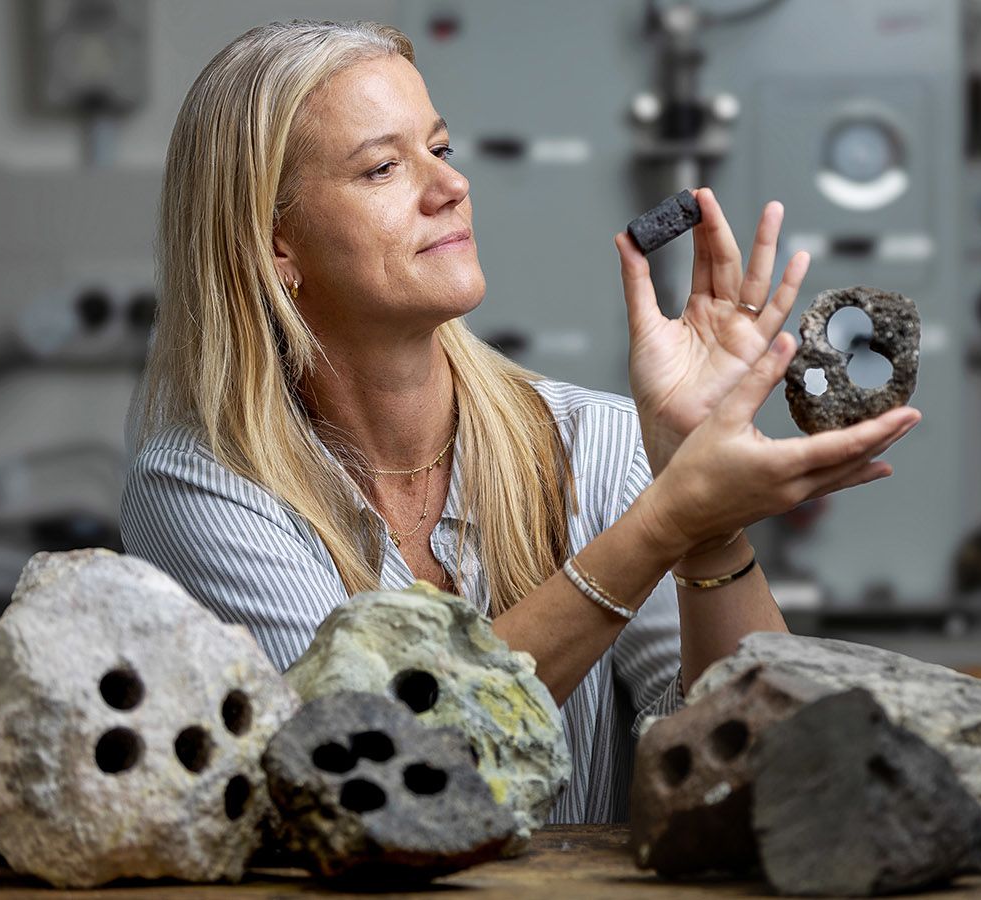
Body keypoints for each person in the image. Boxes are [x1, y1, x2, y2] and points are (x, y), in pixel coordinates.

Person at [120, 19, 919, 824]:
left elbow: (753, 777)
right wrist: (661, 524)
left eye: (443, 149)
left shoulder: (597, 442)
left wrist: (710, 530)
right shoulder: (203, 488)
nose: (449, 187)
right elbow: (371, 768)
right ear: (274, 243)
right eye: (384, 167)